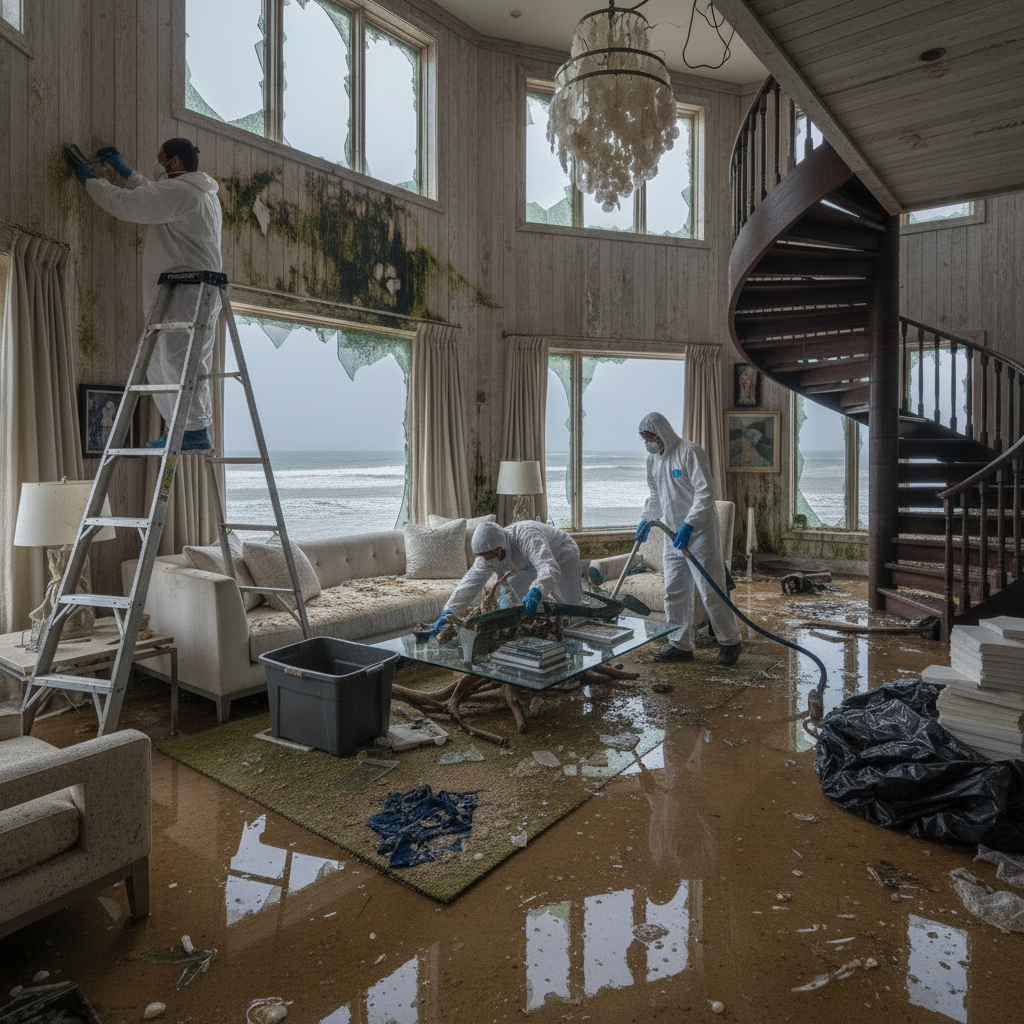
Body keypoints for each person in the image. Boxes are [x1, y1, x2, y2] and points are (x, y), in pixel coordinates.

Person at [70, 138, 223, 450]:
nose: (159, 165)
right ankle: (187, 429)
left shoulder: (180, 192)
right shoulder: (200, 192)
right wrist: (125, 171)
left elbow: (131, 204)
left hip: (185, 289)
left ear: (175, 162)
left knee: (178, 361)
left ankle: (191, 431)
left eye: (162, 159)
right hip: (200, 290)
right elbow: (154, 195)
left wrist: (91, 181)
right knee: (184, 361)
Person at [636, 411, 742, 665]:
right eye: (643, 439)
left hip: (699, 533)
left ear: (661, 433)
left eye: (649, 437)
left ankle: (730, 642)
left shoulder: (689, 452)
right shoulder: (653, 461)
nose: (647, 443)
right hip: (672, 534)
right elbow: (655, 494)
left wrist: (689, 525)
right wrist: (646, 518)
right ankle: (680, 644)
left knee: (711, 590)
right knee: (674, 591)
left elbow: (705, 494)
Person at [429, 520, 583, 635]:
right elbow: (470, 582)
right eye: (483, 556)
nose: (487, 560)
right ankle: (541, 631)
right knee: (520, 607)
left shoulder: (526, 537)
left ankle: (577, 630)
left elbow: (548, 567)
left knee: (569, 603)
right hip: (524, 566)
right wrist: (449, 611)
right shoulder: (487, 553)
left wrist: (536, 591)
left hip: (562, 553)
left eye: (490, 556)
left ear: (500, 547)